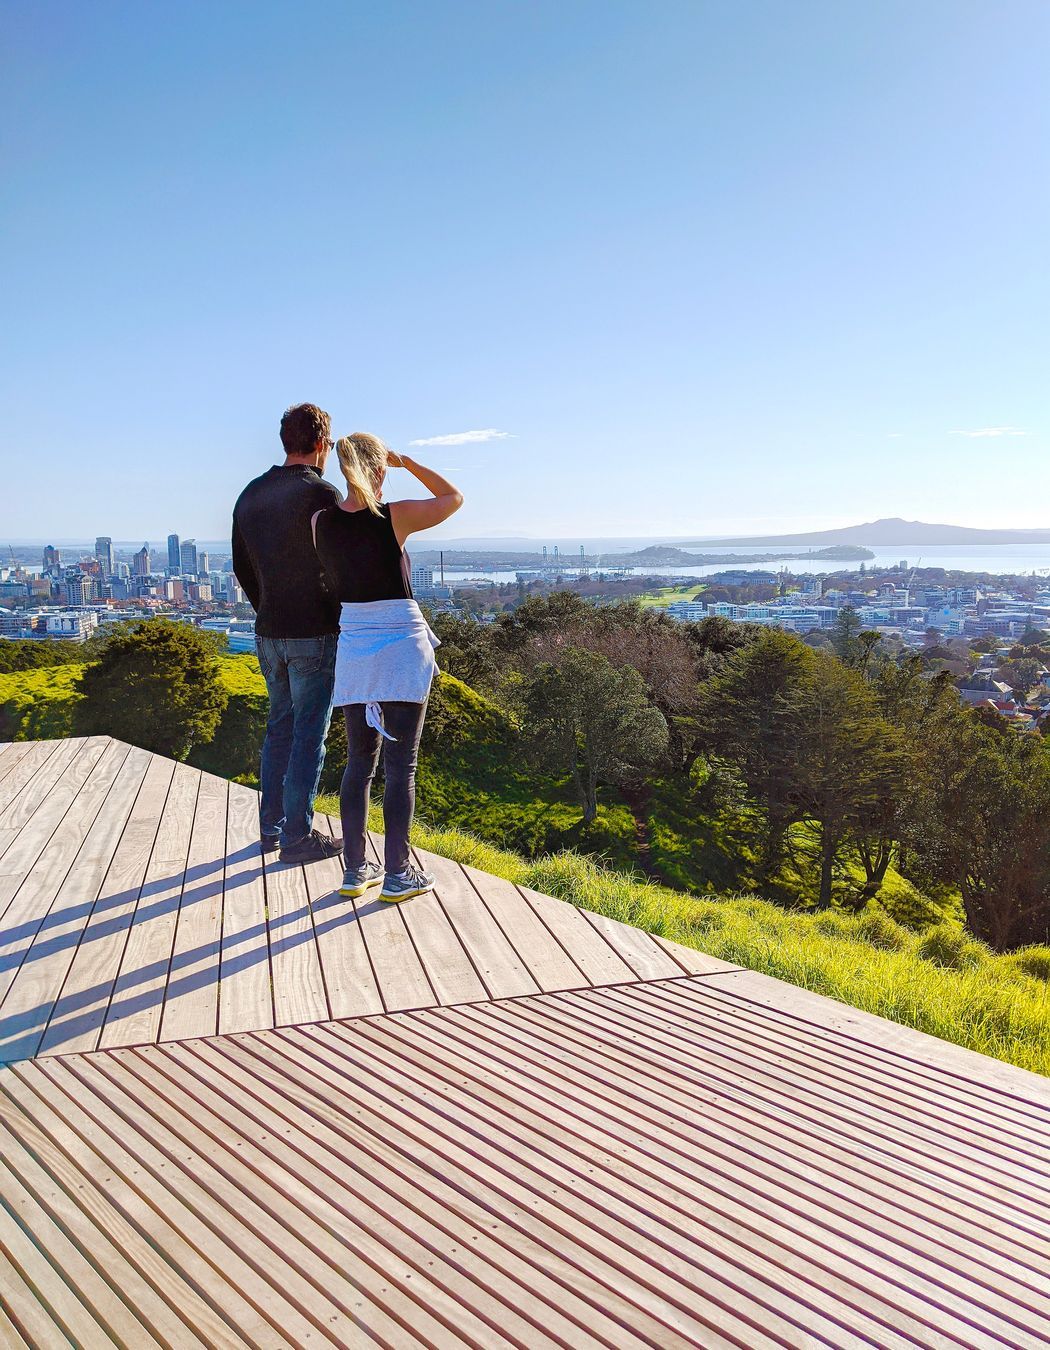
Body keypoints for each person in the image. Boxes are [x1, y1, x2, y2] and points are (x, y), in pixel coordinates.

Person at [311, 432, 463, 901]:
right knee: (402, 766)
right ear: (379, 468)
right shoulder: (392, 517)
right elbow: (452, 498)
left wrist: (380, 469)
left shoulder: (321, 521)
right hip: (400, 641)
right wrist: (410, 462)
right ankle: (398, 873)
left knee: (360, 762)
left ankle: (355, 870)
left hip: (355, 643)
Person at [232, 403, 344, 863]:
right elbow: (340, 563)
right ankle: (298, 836)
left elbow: (242, 567)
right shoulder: (322, 495)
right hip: (314, 630)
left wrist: (268, 608)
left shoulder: (251, 494)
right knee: (308, 733)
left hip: (269, 630)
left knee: (278, 727)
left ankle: (270, 829)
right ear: (320, 443)